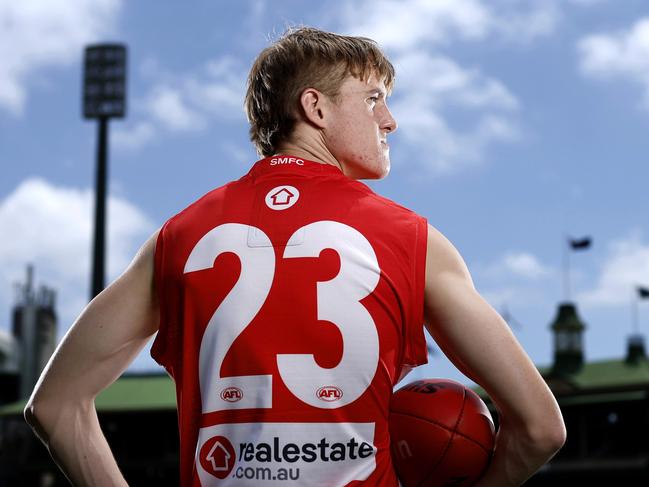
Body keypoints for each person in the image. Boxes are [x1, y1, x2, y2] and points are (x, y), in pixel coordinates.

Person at [24, 27, 565, 486]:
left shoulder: (177, 238)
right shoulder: (415, 240)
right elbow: (541, 429)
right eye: (374, 98)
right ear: (316, 107)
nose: (391, 120)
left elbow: (54, 406)